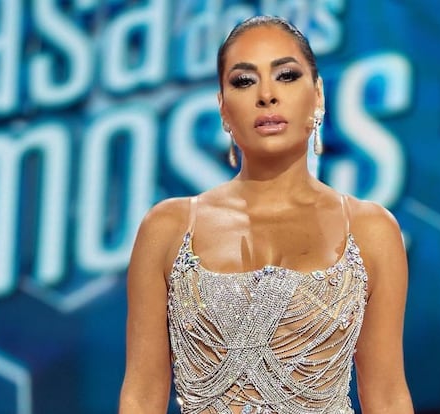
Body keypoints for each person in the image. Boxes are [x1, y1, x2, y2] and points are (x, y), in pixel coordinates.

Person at [119, 15, 413, 414]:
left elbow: (388, 397)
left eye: (286, 76)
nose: (267, 95)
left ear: (318, 95)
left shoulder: (370, 230)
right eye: (244, 81)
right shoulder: (168, 228)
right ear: (223, 109)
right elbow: (141, 397)